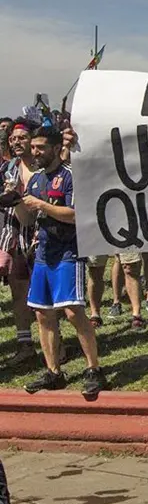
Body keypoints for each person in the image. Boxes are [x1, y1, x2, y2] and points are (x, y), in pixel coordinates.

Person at [20, 127, 106, 399]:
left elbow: (75, 215)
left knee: (72, 312)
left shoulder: (70, 176)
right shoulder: (35, 180)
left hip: (69, 251)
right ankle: (53, 371)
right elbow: (26, 219)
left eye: (41, 147)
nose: (35, 152)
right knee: (42, 314)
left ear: (57, 148)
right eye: (33, 147)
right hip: (44, 252)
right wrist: (16, 203)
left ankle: (93, 369)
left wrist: (42, 205)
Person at [0, 120, 38, 364]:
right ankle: (25, 344)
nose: (16, 142)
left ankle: (58, 346)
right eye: (13, 139)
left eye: (21, 138)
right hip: (15, 236)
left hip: (42, 237)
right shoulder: (8, 168)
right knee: (18, 292)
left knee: (47, 297)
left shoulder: (44, 167)